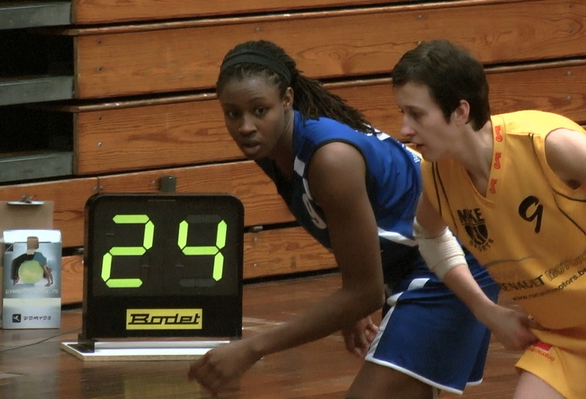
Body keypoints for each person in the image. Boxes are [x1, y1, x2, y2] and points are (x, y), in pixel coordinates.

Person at [187, 39, 502, 398]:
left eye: (260, 110)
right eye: (232, 114)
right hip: (411, 261)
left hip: (450, 258)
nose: (245, 126)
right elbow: (351, 236)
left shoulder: (330, 159)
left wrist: (251, 348)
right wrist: (351, 302)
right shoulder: (275, 147)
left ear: (287, 100)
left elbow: (365, 291)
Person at [391, 39, 586, 399]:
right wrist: (487, 311)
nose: (404, 129)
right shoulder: (436, 175)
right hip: (565, 339)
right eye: (403, 113)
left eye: (416, 114)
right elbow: (429, 236)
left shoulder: (548, 145)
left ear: (460, 111)